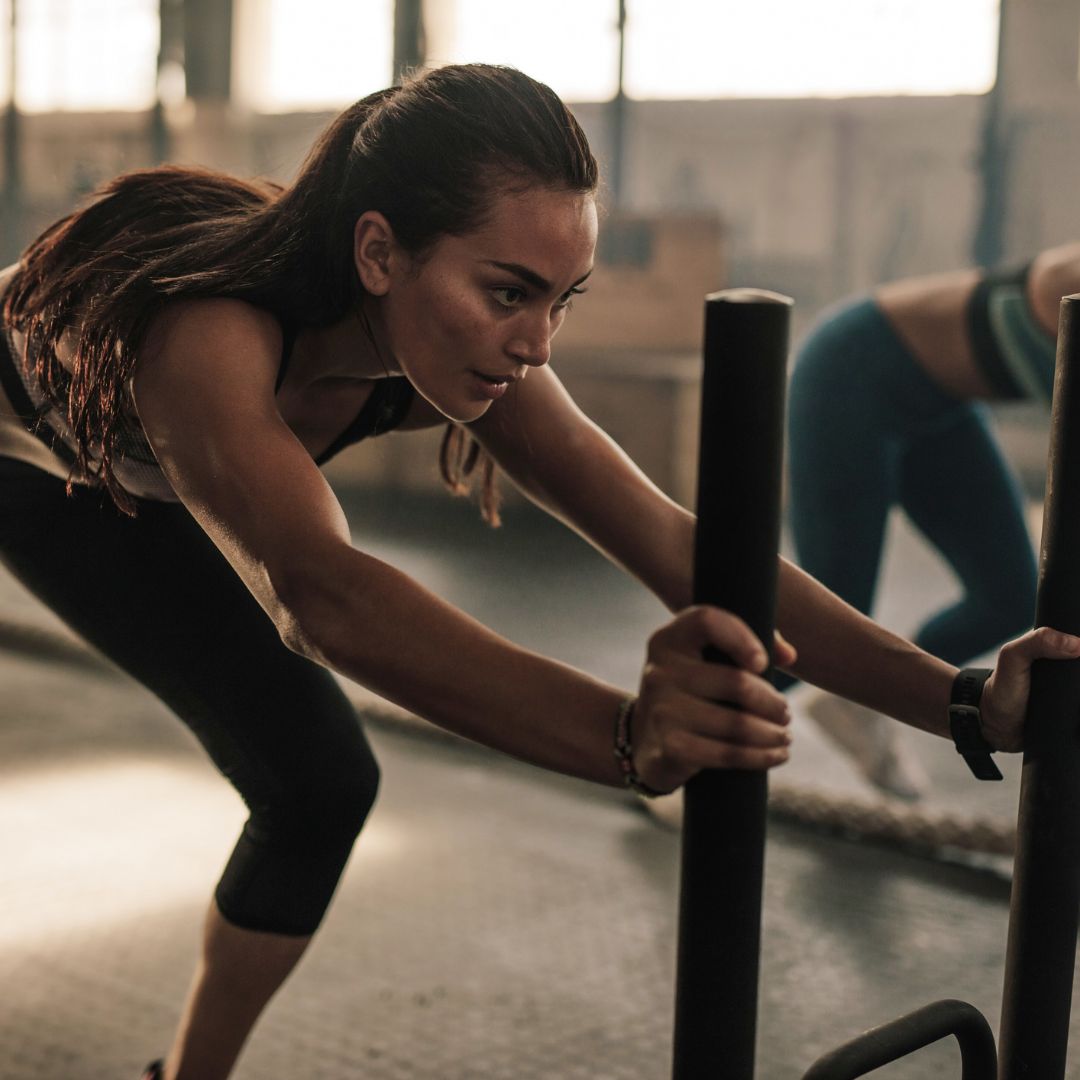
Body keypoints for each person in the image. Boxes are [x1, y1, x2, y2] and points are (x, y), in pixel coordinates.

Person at [0, 65, 1074, 1080]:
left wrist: (965, 704)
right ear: (379, 253)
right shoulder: (208, 333)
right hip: (31, 465)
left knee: (319, 784)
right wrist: (626, 737)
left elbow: (675, 542)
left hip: (157, 477)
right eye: (511, 292)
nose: (538, 344)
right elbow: (319, 592)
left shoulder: (453, 342)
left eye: (562, 300)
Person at [782, 243, 1080, 801]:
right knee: (823, 628)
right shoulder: (1071, 273)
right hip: (848, 378)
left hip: (939, 409)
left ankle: (863, 693)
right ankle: (690, 760)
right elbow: (1048, 298)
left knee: (1011, 599)